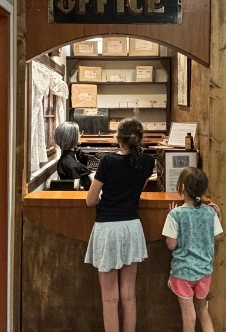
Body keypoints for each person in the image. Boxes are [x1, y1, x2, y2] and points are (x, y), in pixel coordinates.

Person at [85, 118, 156, 332]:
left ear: (118, 138)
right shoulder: (147, 161)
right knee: (129, 295)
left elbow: (90, 200)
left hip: (108, 228)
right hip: (132, 227)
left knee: (109, 298)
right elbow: (138, 189)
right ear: (140, 138)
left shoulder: (107, 162)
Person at [162, 167, 223, 332]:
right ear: (203, 189)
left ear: (182, 188)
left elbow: (171, 245)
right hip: (204, 271)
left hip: (182, 272)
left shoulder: (175, 215)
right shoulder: (210, 213)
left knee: (188, 315)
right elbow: (217, 237)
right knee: (203, 311)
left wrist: (170, 225)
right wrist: (219, 216)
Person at [54, 121, 92, 190]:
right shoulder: (70, 164)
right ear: (71, 137)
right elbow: (78, 188)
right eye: (78, 133)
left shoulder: (68, 158)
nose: (80, 135)